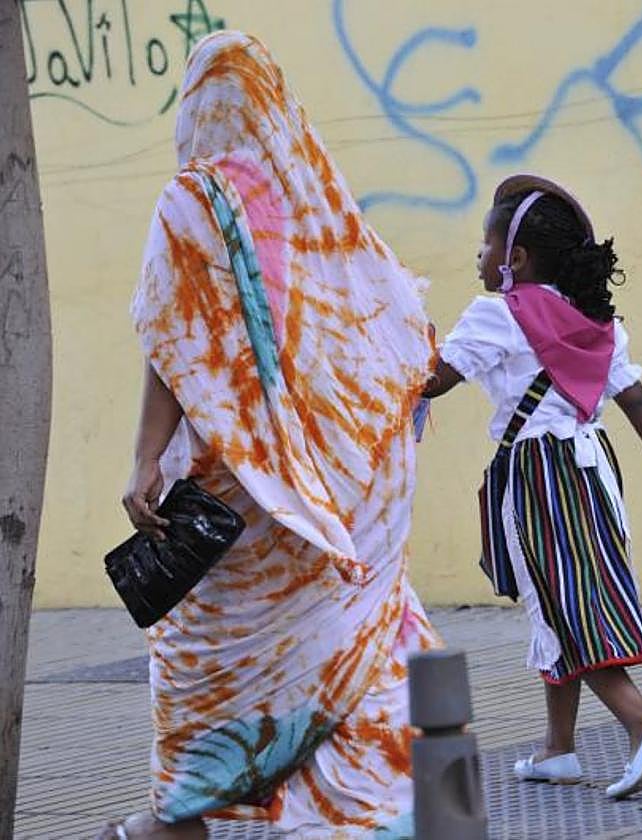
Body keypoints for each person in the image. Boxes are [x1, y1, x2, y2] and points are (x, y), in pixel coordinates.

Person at [100, 31, 438, 839]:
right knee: (350, 631)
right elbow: (389, 330)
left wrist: (146, 458)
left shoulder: (191, 200)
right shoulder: (313, 195)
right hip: (329, 488)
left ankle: (179, 812)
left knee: (206, 651)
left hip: (231, 498)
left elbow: (175, 345)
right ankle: (372, 806)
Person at [423, 175, 642, 799]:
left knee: (566, 606)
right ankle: (557, 749)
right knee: (563, 595)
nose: (479, 258)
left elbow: (432, 381)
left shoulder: (496, 314)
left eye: (484, 246)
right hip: (594, 469)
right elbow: (637, 398)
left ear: (514, 258)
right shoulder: (595, 321)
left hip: (538, 474)